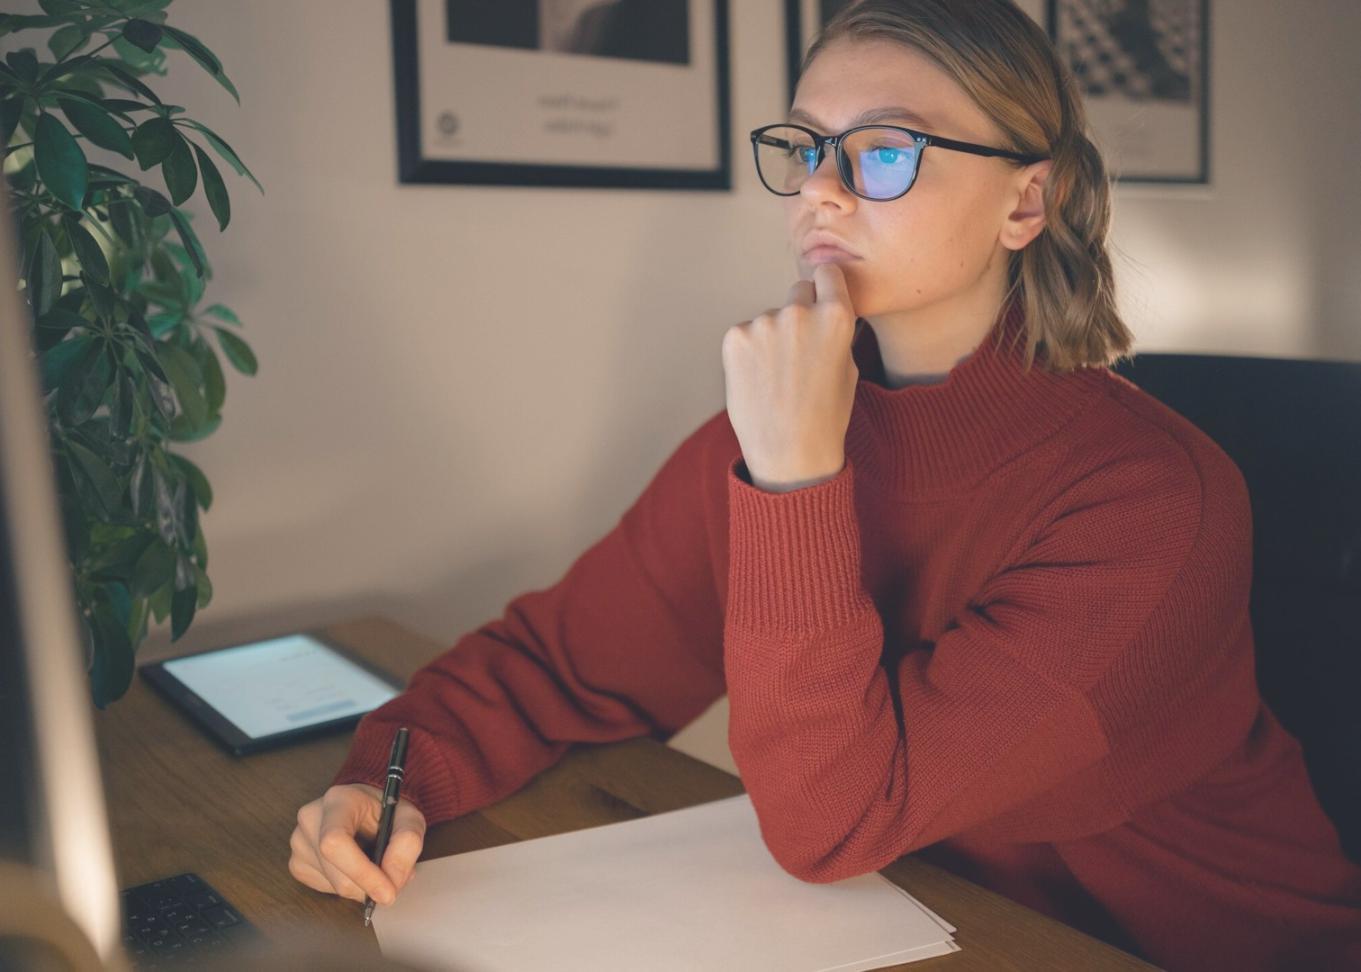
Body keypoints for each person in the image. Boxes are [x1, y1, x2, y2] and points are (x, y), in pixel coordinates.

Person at [289, 1, 1361, 968]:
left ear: (1025, 202)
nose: (819, 189)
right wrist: (388, 779)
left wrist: (795, 478)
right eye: (804, 146)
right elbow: (568, 662)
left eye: (883, 151)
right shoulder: (783, 425)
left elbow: (829, 826)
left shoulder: (1153, 502)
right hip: (927, 918)